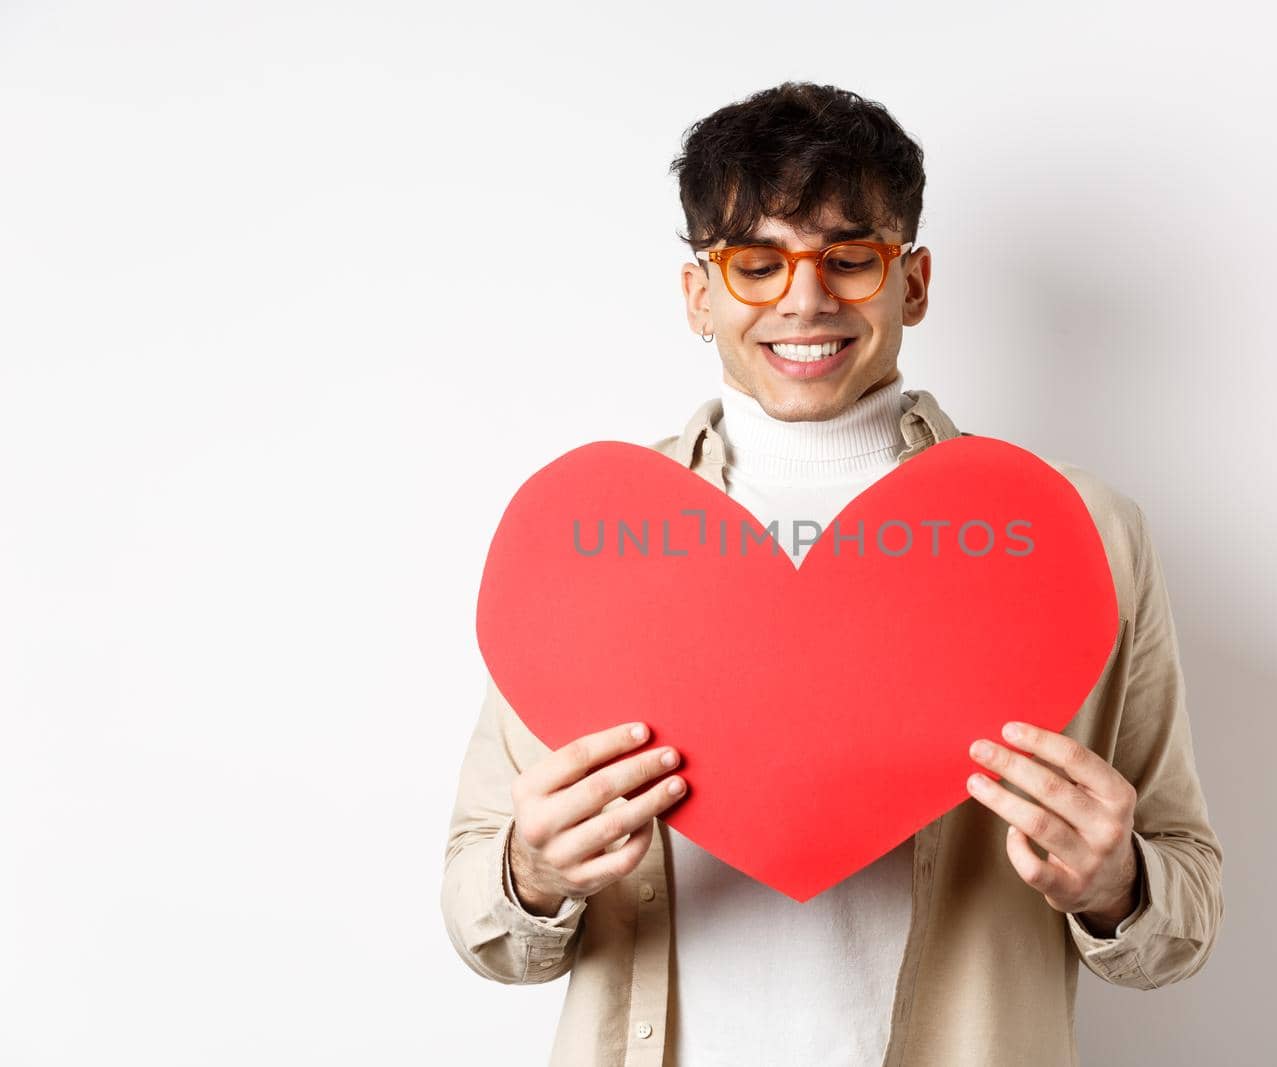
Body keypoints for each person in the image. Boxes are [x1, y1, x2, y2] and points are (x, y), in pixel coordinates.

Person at [441, 81, 1224, 1067]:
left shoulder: (1073, 532)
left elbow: (1183, 900)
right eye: (754, 263)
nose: (803, 299)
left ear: (914, 282)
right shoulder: (589, 540)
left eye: (849, 258)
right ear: (700, 294)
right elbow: (479, 905)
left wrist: (1117, 884)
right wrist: (532, 870)